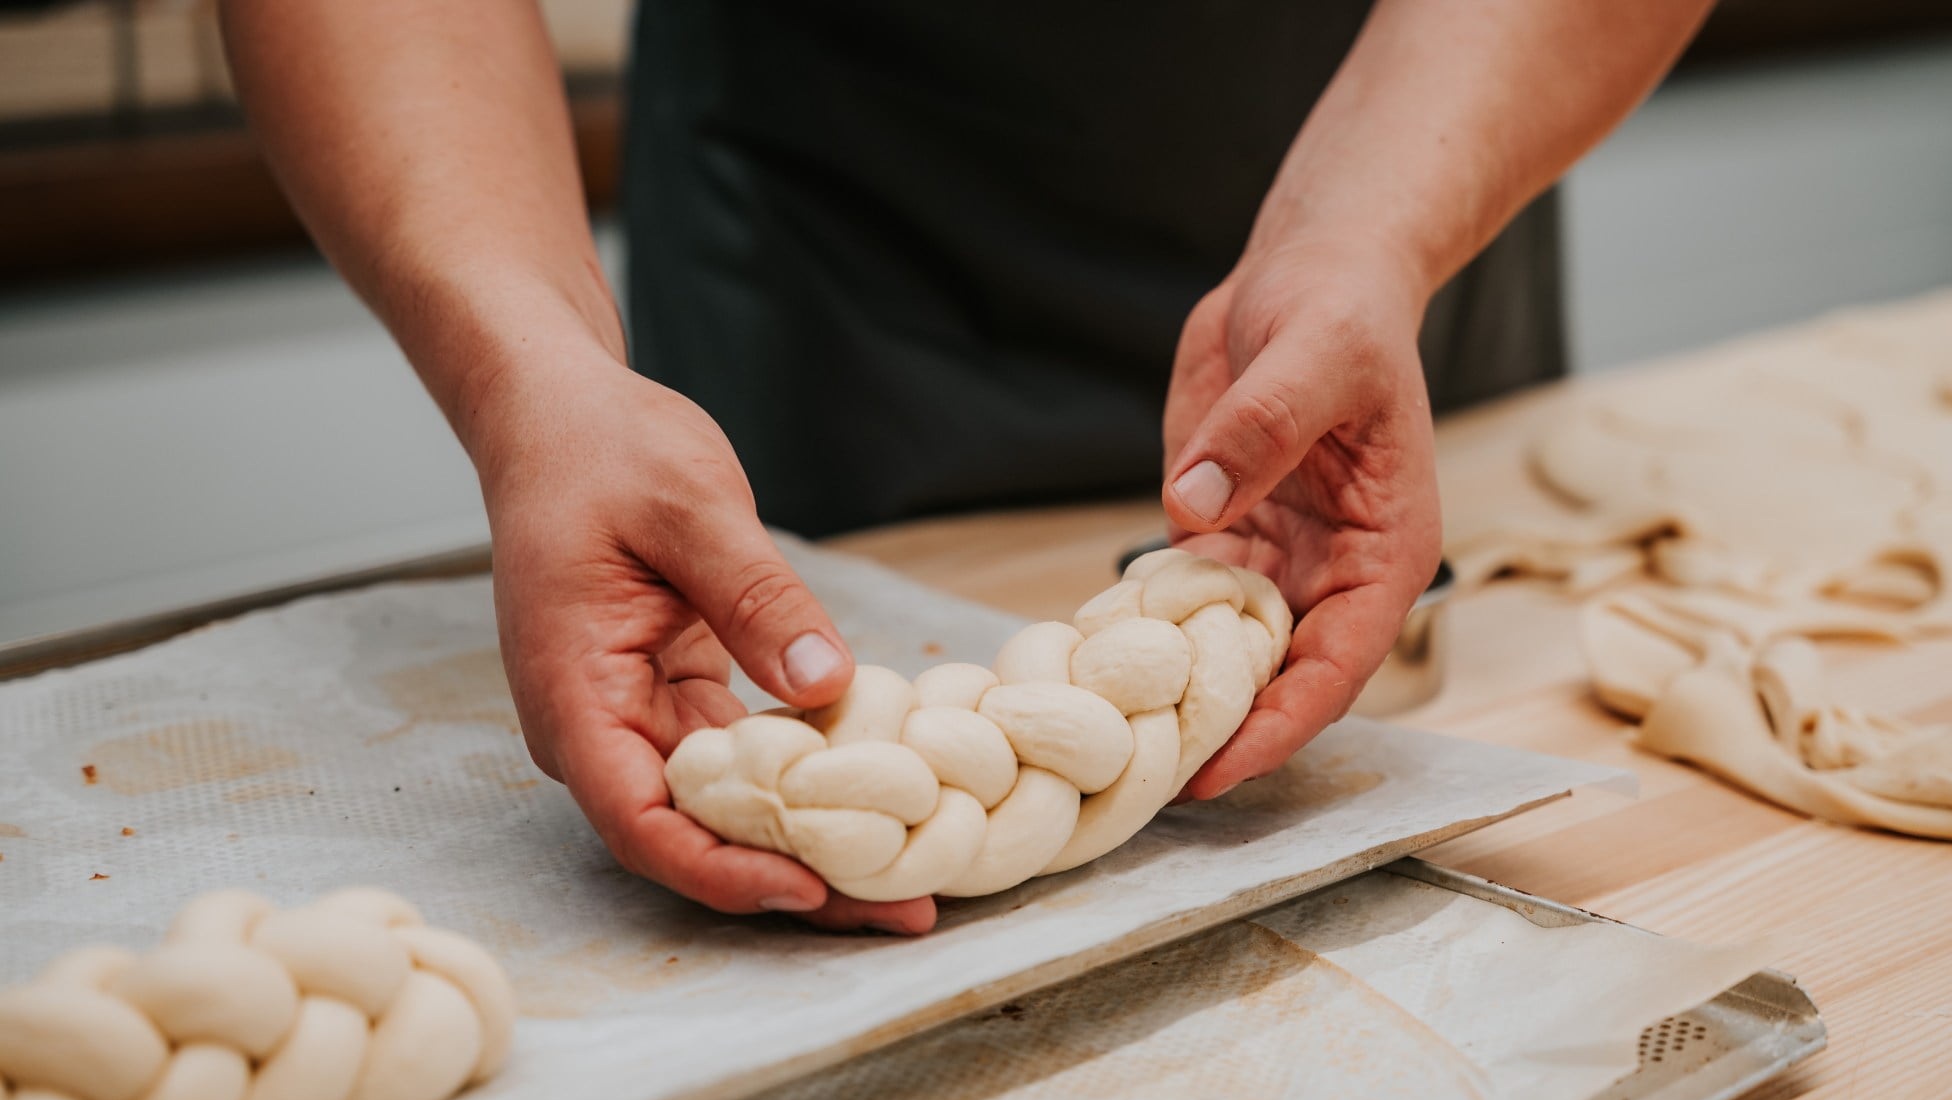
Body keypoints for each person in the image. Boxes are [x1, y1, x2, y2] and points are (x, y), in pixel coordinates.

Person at [219, 0, 1712, 934]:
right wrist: (528, 373)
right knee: (750, 651)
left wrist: (1374, 232)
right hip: (835, 265)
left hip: (1409, 176)